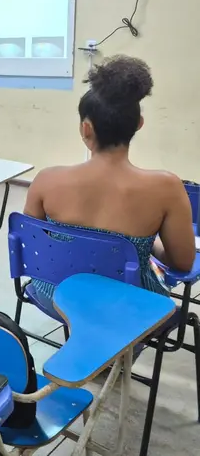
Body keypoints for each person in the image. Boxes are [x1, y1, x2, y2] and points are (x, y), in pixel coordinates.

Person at [24, 55, 195, 310]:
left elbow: (34, 245)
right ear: (139, 124)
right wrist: (150, 247)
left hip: (56, 295)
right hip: (127, 306)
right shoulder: (166, 187)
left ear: (85, 129)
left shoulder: (45, 180)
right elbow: (182, 262)